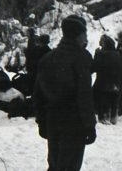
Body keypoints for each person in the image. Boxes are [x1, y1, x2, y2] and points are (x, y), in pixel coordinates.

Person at [34, 15, 96, 171]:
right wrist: (89, 125)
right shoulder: (81, 58)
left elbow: (38, 95)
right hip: (74, 122)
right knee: (70, 166)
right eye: (85, 34)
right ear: (80, 35)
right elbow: (84, 95)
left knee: (54, 164)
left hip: (52, 119)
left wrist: (41, 121)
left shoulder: (47, 58)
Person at [92, 34, 122, 124]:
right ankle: (113, 116)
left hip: (103, 81)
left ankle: (103, 117)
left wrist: (96, 55)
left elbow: (96, 67)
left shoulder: (102, 54)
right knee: (113, 99)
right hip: (116, 81)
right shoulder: (118, 54)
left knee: (102, 99)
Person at [25, 31, 51, 95]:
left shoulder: (38, 49)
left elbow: (31, 58)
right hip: (39, 74)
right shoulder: (48, 51)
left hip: (36, 74)